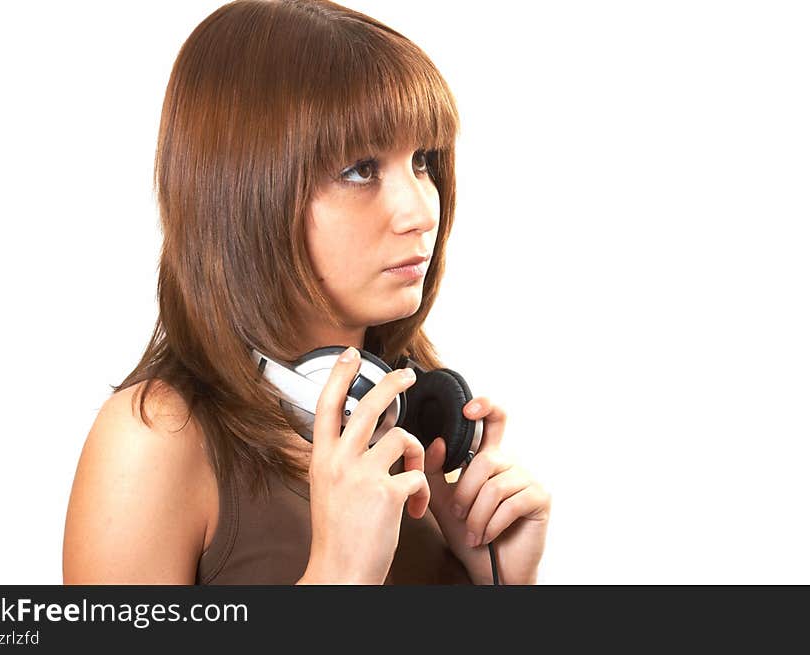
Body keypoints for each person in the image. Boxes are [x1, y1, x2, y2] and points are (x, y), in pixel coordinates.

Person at [62, 0, 551, 585]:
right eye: (359, 170)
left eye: (421, 161)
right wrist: (339, 574)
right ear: (245, 194)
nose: (420, 211)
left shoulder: (413, 428)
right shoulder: (155, 443)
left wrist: (500, 582)